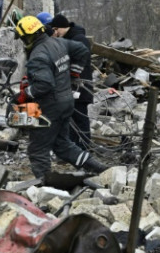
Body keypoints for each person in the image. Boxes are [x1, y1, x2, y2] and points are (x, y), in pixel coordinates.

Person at [14, 15, 108, 181]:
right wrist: (74, 71)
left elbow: (45, 85)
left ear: (28, 37)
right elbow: (83, 49)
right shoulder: (58, 42)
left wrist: (26, 94)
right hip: (67, 101)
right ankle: (98, 168)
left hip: (51, 106)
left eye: (23, 38)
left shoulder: (38, 55)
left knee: (38, 149)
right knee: (62, 145)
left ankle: (45, 185)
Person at [51, 14, 93, 150]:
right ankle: (74, 149)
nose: (55, 34)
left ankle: (84, 148)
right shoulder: (70, 39)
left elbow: (80, 59)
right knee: (71, 120)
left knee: (80, 119)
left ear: (59, 28)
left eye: (55, 30)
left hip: (80, 87)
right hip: (71, 87)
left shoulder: (79, 39)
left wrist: (71, 74)